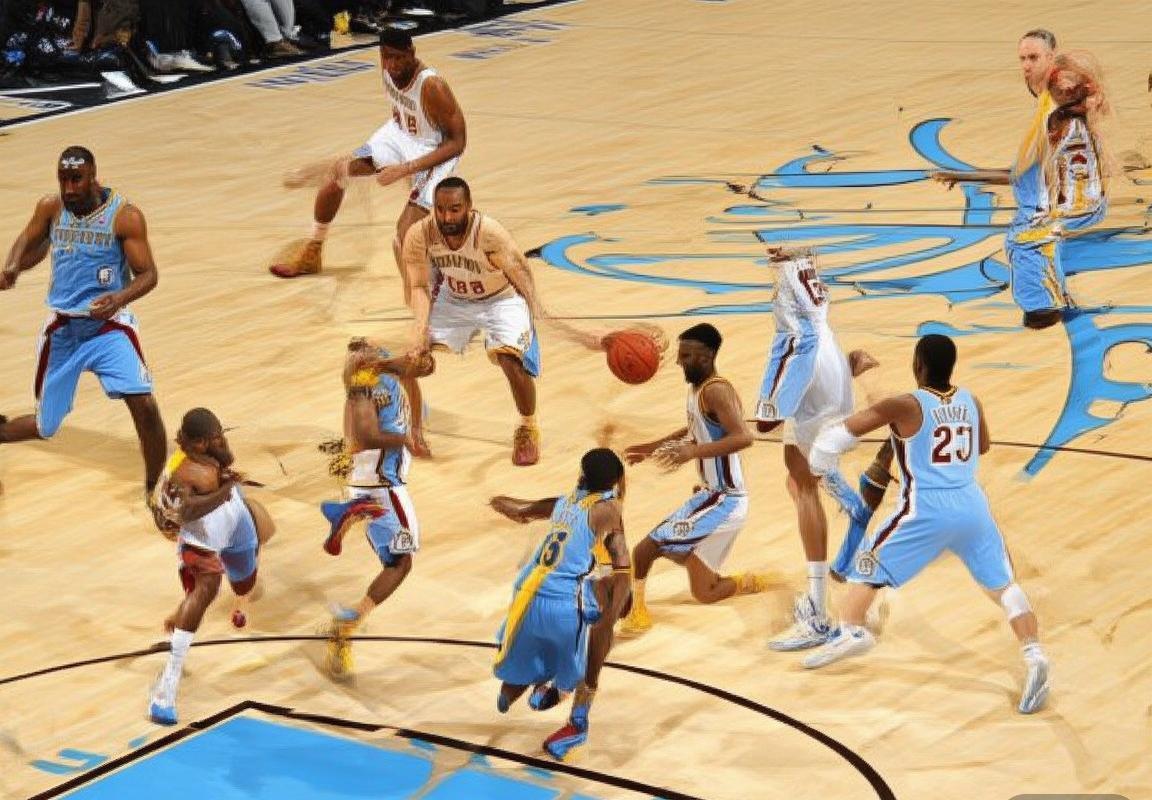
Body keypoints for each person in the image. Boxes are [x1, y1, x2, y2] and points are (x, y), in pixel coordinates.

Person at [802, 334, 1050, 715]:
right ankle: (1034, 656)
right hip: (973, 506)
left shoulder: (906, 404)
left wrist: (820, 463)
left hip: (926, 508)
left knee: (866, 563)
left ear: (917, 365)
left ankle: (852, 629)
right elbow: (982, 446)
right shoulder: (971, 400)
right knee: (1005, 587)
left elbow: (840, 435)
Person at [0, 146, 167, 504]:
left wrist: (119, 299)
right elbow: (29, 240)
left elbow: (149, 274)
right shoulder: (51, 207)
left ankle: (156, 488)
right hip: (63, 330)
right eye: (63, 180)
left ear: (93, 177)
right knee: (45, 426)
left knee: (144, 404)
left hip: (109, 329)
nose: (69, 188)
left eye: (76, 179)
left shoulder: (125, 217)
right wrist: (12, 266)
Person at [271, 27, 467, 289]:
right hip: (400, 133)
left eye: (399, 57)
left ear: (412, 53)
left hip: (434, 148)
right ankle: (313, 251)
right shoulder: (387, 70)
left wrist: (406, 169)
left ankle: (442, 286)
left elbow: (457, 142)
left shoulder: (432, 86)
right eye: (387, 57)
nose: (392, 64)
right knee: (337, 173)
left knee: (406, 233)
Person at [934, 45, 1109, 330]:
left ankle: (1048, 302)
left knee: (1023, 239)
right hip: (1067, 206)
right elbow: (1020, 176)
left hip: (1077, 208)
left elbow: (1061, 185)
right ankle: (1050, 298)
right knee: (1023, 237)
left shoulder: (1065, 126)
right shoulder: (1059, 125)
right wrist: (962, 176)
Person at [753, 247, 875, 652]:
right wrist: (791, 258)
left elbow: (766, 421)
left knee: (803, 485)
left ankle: (818, 613)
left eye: (777, 293)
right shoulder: (818, 310)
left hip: (815, 393)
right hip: (832, 381)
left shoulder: (793, 340)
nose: (773, 297)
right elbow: (807, 261)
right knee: (798, 480)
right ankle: (852, 506)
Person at [619, 324, 770, 635]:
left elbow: (744, 437)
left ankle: (637, 613)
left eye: (686, 356)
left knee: (645, 549)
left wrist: (692, 453)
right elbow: (694, 429)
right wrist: (650, 448)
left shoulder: (716, 391)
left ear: (707, 356)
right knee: (704, 593)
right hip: (712, 494)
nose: (678, 362)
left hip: (725, 500)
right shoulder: (698, 390)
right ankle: (746, 582)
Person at [491, 448, 630, 760]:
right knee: (603, 621)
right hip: (562, 602)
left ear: (581, 475)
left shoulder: (562, 502)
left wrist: (499, 501)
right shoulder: (608, 510)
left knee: (520, 666)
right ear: (614, 481)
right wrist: (611, 616)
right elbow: (622, 565)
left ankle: (518, 687)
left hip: (524, 595)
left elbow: (522, 509)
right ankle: (577, 719)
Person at [404, 177, 543, 466]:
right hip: (455, 298)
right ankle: (411, 425)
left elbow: (524, 279)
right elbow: (417, 286)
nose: (447, 217)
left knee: (510, 360)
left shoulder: (490, 234)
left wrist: (530, 321)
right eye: (440, 209)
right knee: (414, 359)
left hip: (500, 297)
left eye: (455, 209)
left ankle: (527, 427)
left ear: (469, 206)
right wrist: (420, 330)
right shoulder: (420, 234)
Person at [148, 408, 273, 725]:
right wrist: (224, 490)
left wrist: (226, 475)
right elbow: (187, 511)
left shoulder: (211, 451)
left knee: (246, 579)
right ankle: (165, 692)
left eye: (221, 434)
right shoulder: (181, 471)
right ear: (199, 443)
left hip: (235, 523)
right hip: (202, 537)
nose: (221, 441)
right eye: (215, 437)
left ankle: (211, 606)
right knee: (208, 586)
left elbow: (227, 461)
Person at [319, 338, 431, 678]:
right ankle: (349, 621)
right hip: (383, 484)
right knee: (401, 562)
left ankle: (352, 511)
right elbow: (366, 436)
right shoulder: (362, 385)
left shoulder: (384, 368)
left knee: (397, 561)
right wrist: (406, 438)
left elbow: (422, 367)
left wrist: (415, 426)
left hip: (374, 480)